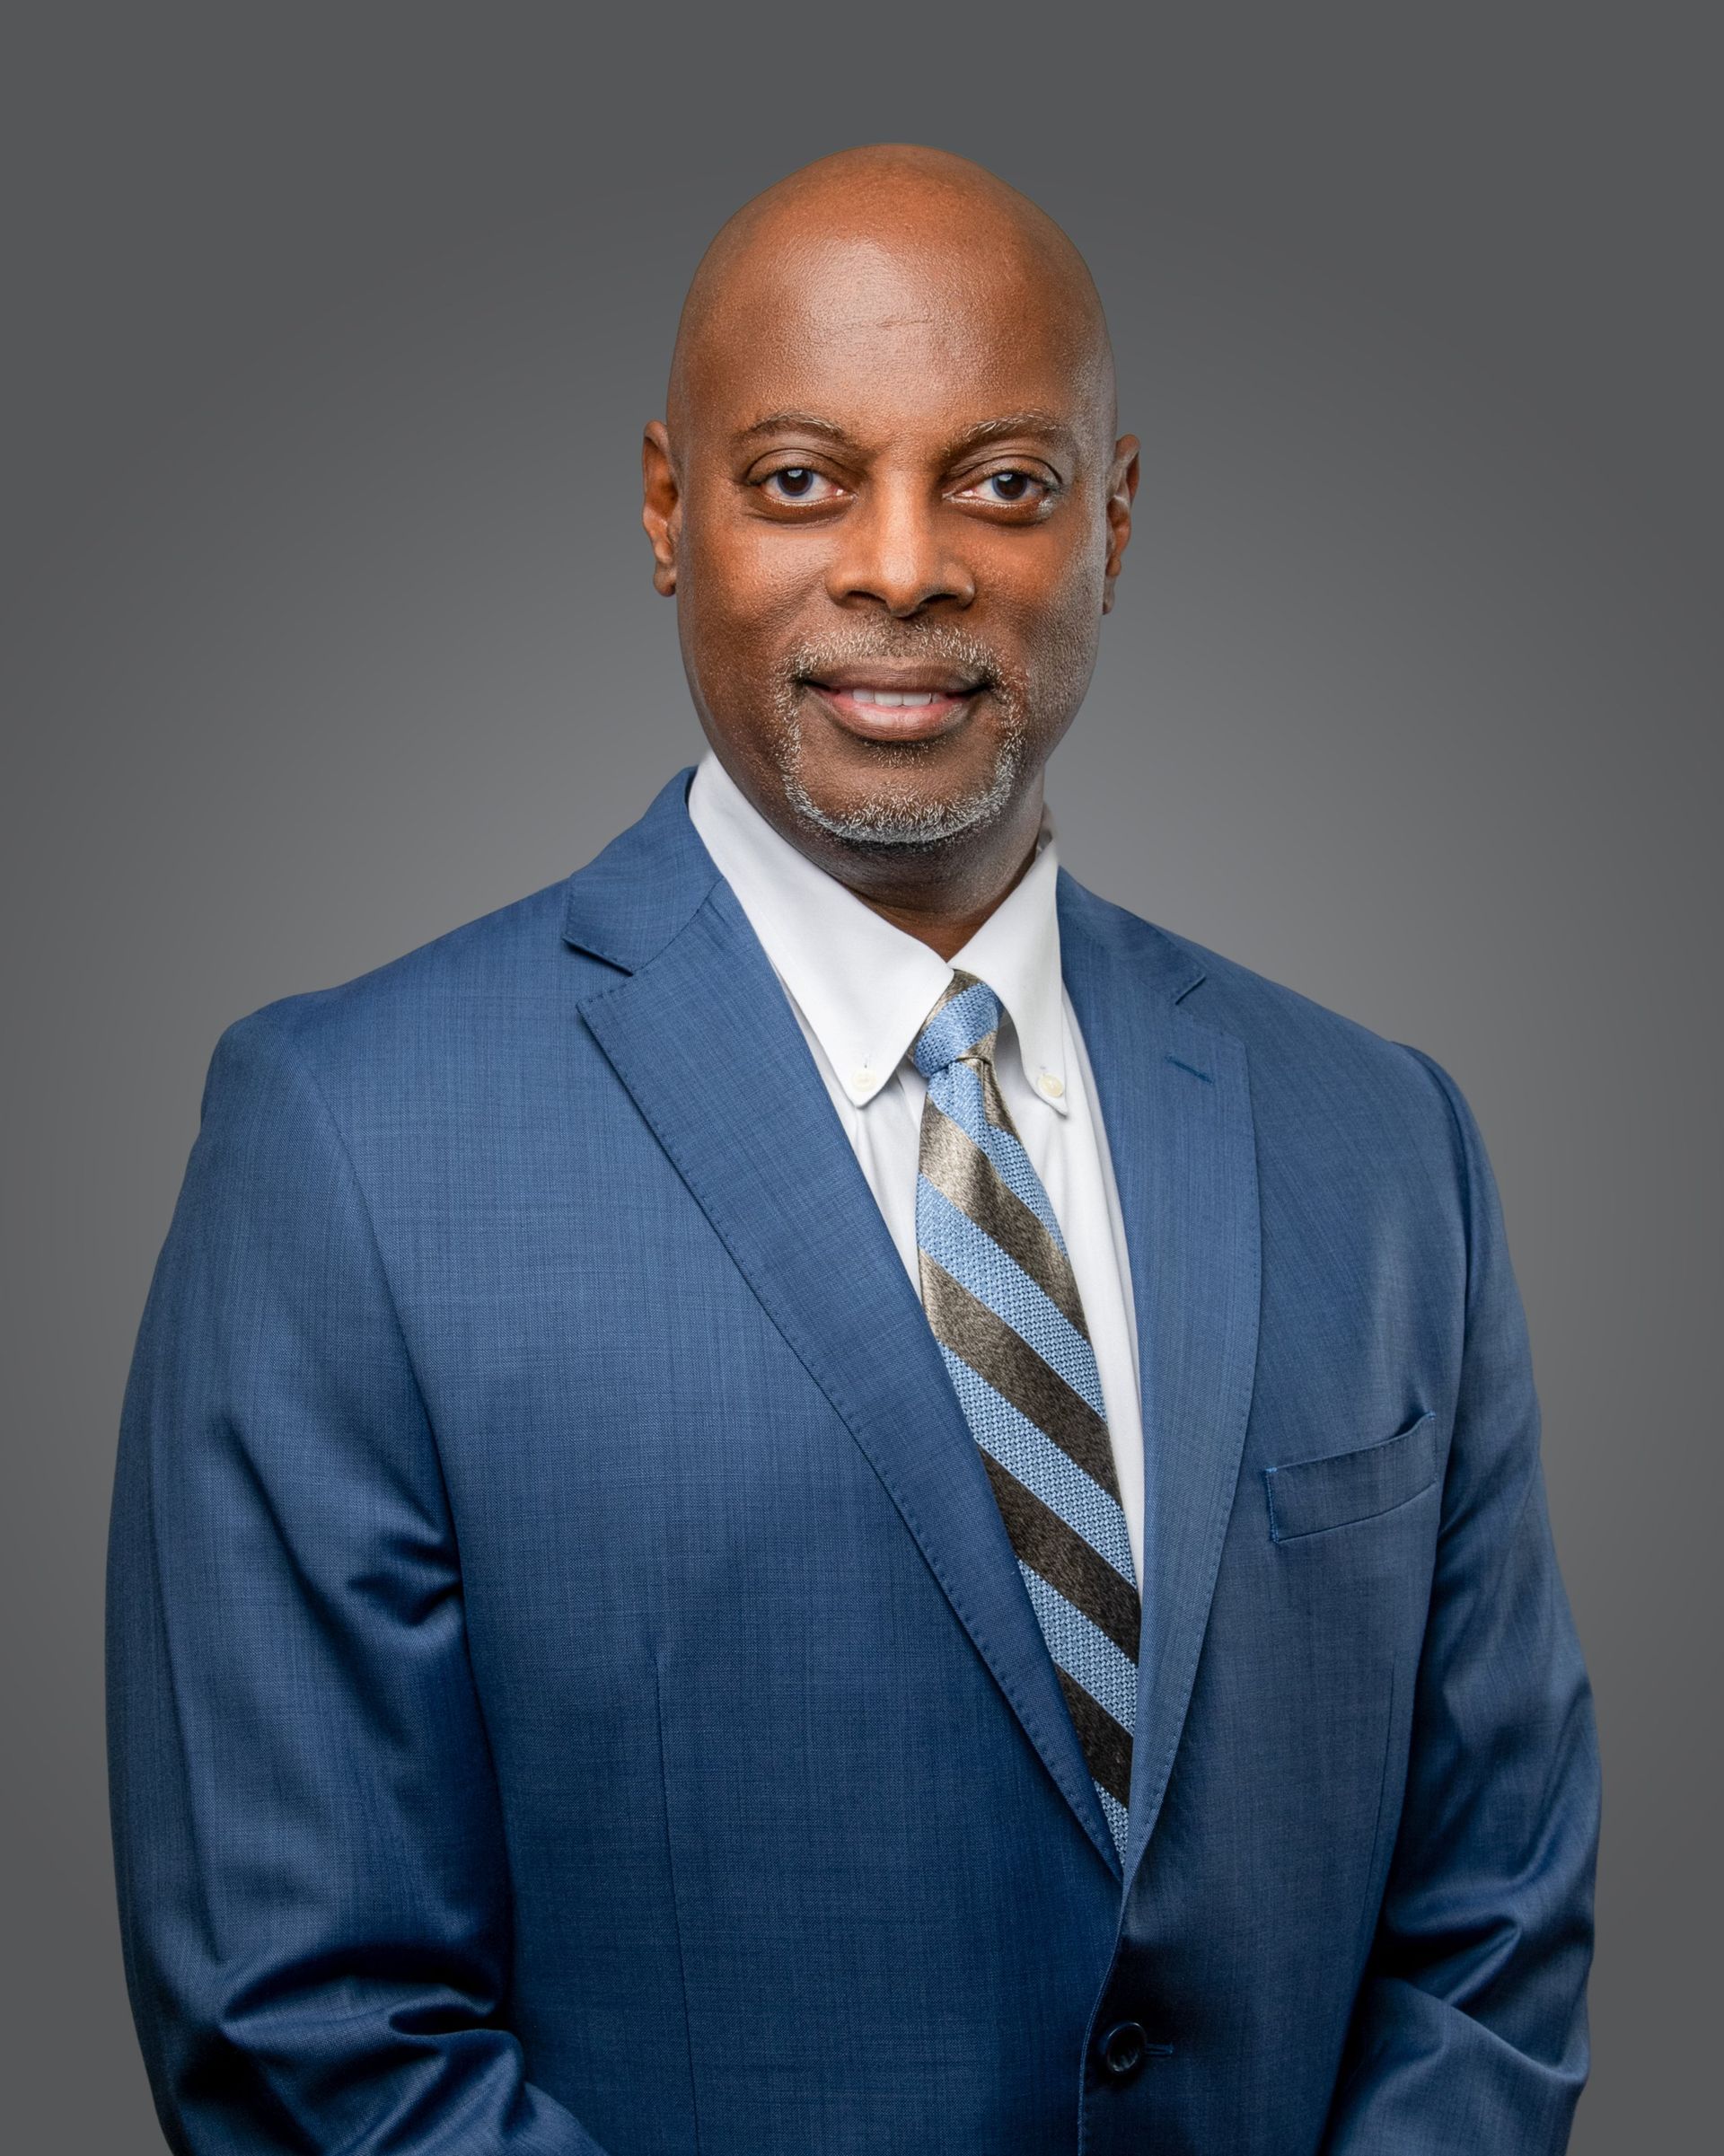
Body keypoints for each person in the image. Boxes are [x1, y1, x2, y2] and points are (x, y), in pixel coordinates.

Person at [106, 144, 1599, 2155]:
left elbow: (1493, 1921)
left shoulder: (1384, 1139)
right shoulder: (350, 1146)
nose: (905, 564)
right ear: (665, 508)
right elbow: (309, 2022)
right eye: (803, 477)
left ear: (1115, 519)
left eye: (1001, 480)